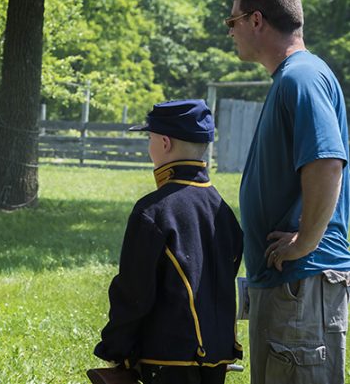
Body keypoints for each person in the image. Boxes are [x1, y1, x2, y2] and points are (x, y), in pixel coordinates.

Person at [229, 0, 350, 384]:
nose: (231, 32)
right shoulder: (290, 78)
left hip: (302, 284)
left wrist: (305, 242)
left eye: (233, 23)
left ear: (256, 20)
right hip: (288, 283)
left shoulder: (301, 77)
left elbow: (327, 161)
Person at [94, 99, 243, 384]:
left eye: (149, 138)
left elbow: (133, 294)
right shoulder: (224, 212)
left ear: (164, 143)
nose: (149, 146)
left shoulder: (152, 211)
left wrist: (116, 350)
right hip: (218, 356)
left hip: (166, 358)